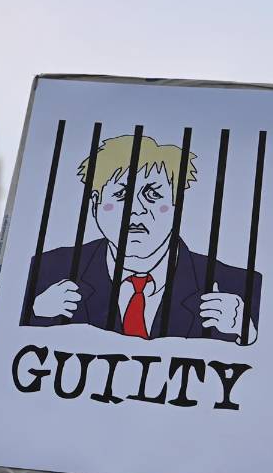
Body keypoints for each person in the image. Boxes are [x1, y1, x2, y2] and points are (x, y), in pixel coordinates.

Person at [24, 134, 261, 344]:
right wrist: (35, 313)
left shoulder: (238, 286)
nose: (136, 209)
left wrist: (245, 332)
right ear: (94, 204)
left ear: (177, 205)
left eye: (153, 195)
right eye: (120, 194)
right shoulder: (46, 271)